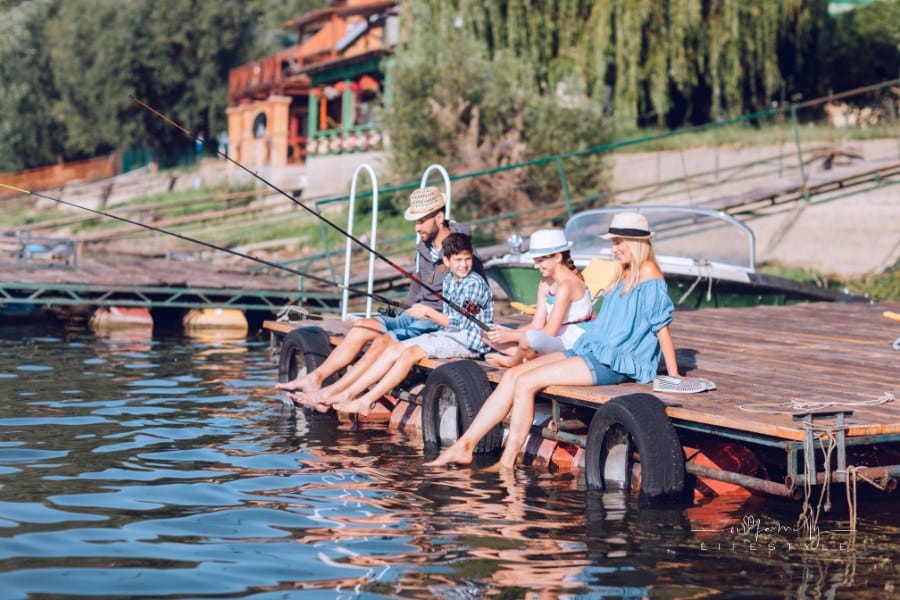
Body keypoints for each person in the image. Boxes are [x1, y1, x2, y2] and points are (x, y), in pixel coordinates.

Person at [424, 212, 682, 470]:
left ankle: (506, 463)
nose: (614, 249)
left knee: (526, 383)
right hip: (594, 348)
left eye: (618, 242)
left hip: (615, 361)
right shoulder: (626, 271)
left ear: (636, 243)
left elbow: (661, 326)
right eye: (613, 243)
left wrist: (673, 375)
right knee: (514, 375)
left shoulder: (648, 272)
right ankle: (465, 445)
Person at [276, 186, 483, 394]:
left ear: (438, 218)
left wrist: (436, 315)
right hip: (414, 314)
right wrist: (403, 313)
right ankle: (315, 378)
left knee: (383, 341)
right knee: (363, 326)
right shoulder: (424, 248)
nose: (416, 228)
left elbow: (475, 299)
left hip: (436, 321)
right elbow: (416, 287)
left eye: (421, 221)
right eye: (415, 222)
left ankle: (334, 393)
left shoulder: (463, 253)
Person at [290, 232, 493, 415]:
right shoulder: (450, 280)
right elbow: (449, 321)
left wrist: (428, 313)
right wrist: (423, 314)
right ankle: (347, 394)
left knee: (410, 354)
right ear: (447, 261)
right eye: (458, 260)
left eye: (467, 259)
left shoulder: (474, 283)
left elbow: (463, 322)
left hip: (470, 340)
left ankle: (366, 400)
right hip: (449, 333)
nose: (463, 264)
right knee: (393, 348)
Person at [484, 229, 591, 368]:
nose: (536, 266)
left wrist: (510, 336)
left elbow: (550, 332)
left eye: (540, 261)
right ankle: (527, 357)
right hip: (553, 340)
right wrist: (506, 333)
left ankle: (513, 361)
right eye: (535, 261)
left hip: (572, 343)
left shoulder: (568, 285)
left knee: (529, 339)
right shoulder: (545, 283)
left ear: (557, 257)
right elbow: (537, 325)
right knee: (487, 334)